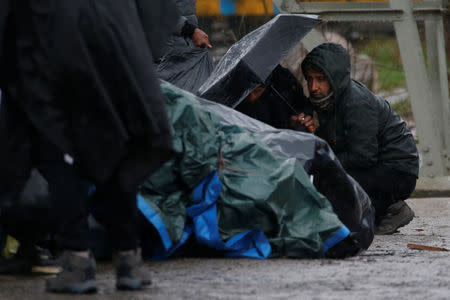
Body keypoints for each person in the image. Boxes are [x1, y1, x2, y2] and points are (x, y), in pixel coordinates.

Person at [0, 0, 177, 294]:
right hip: (112, 45)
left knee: (59, 156)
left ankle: (78, 262)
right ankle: (129, 259)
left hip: (53, 50)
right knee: (114, 152)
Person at [292, 42, 419, 235]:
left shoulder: (357, 103)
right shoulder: (327, 100)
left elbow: (363, 156)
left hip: (397, 171)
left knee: (330, 187)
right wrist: (307, 130)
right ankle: (377, 210)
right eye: (309, 79)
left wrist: (323, 163)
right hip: (376, 166)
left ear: (334, 78)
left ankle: (392, 208)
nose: (313, 87)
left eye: (320, 79)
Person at [236, 64, 312, 130]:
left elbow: (302, 104)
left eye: (257, 91)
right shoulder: (234, 99)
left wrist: (297, 120)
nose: (251, 97)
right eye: (246, 93)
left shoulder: (282, 80)